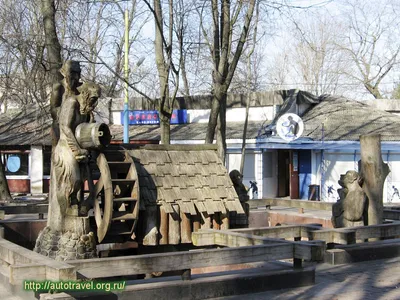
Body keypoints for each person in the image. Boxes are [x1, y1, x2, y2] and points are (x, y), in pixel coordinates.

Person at [52, 82, 101, 215]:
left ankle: (73, 204)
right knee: (72, 178)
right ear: (85, 94)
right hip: (65, 147)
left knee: (79, 181)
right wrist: (76, 149)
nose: (94, 103)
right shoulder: (72, 102)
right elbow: (65, 127)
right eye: (93, 99)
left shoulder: (85, 109)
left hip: (78, 148)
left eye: (96, 100)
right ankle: (66, 208)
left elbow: (83, 131)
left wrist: (91, 122)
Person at [50, 60, 82, 147]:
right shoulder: (58, 87)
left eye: (78, 73)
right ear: (64, 73)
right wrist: (65, 113)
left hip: (78, 123)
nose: (76, 77)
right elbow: (53, 109)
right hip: (60, 125)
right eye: (72, 73)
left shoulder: (81, 88)